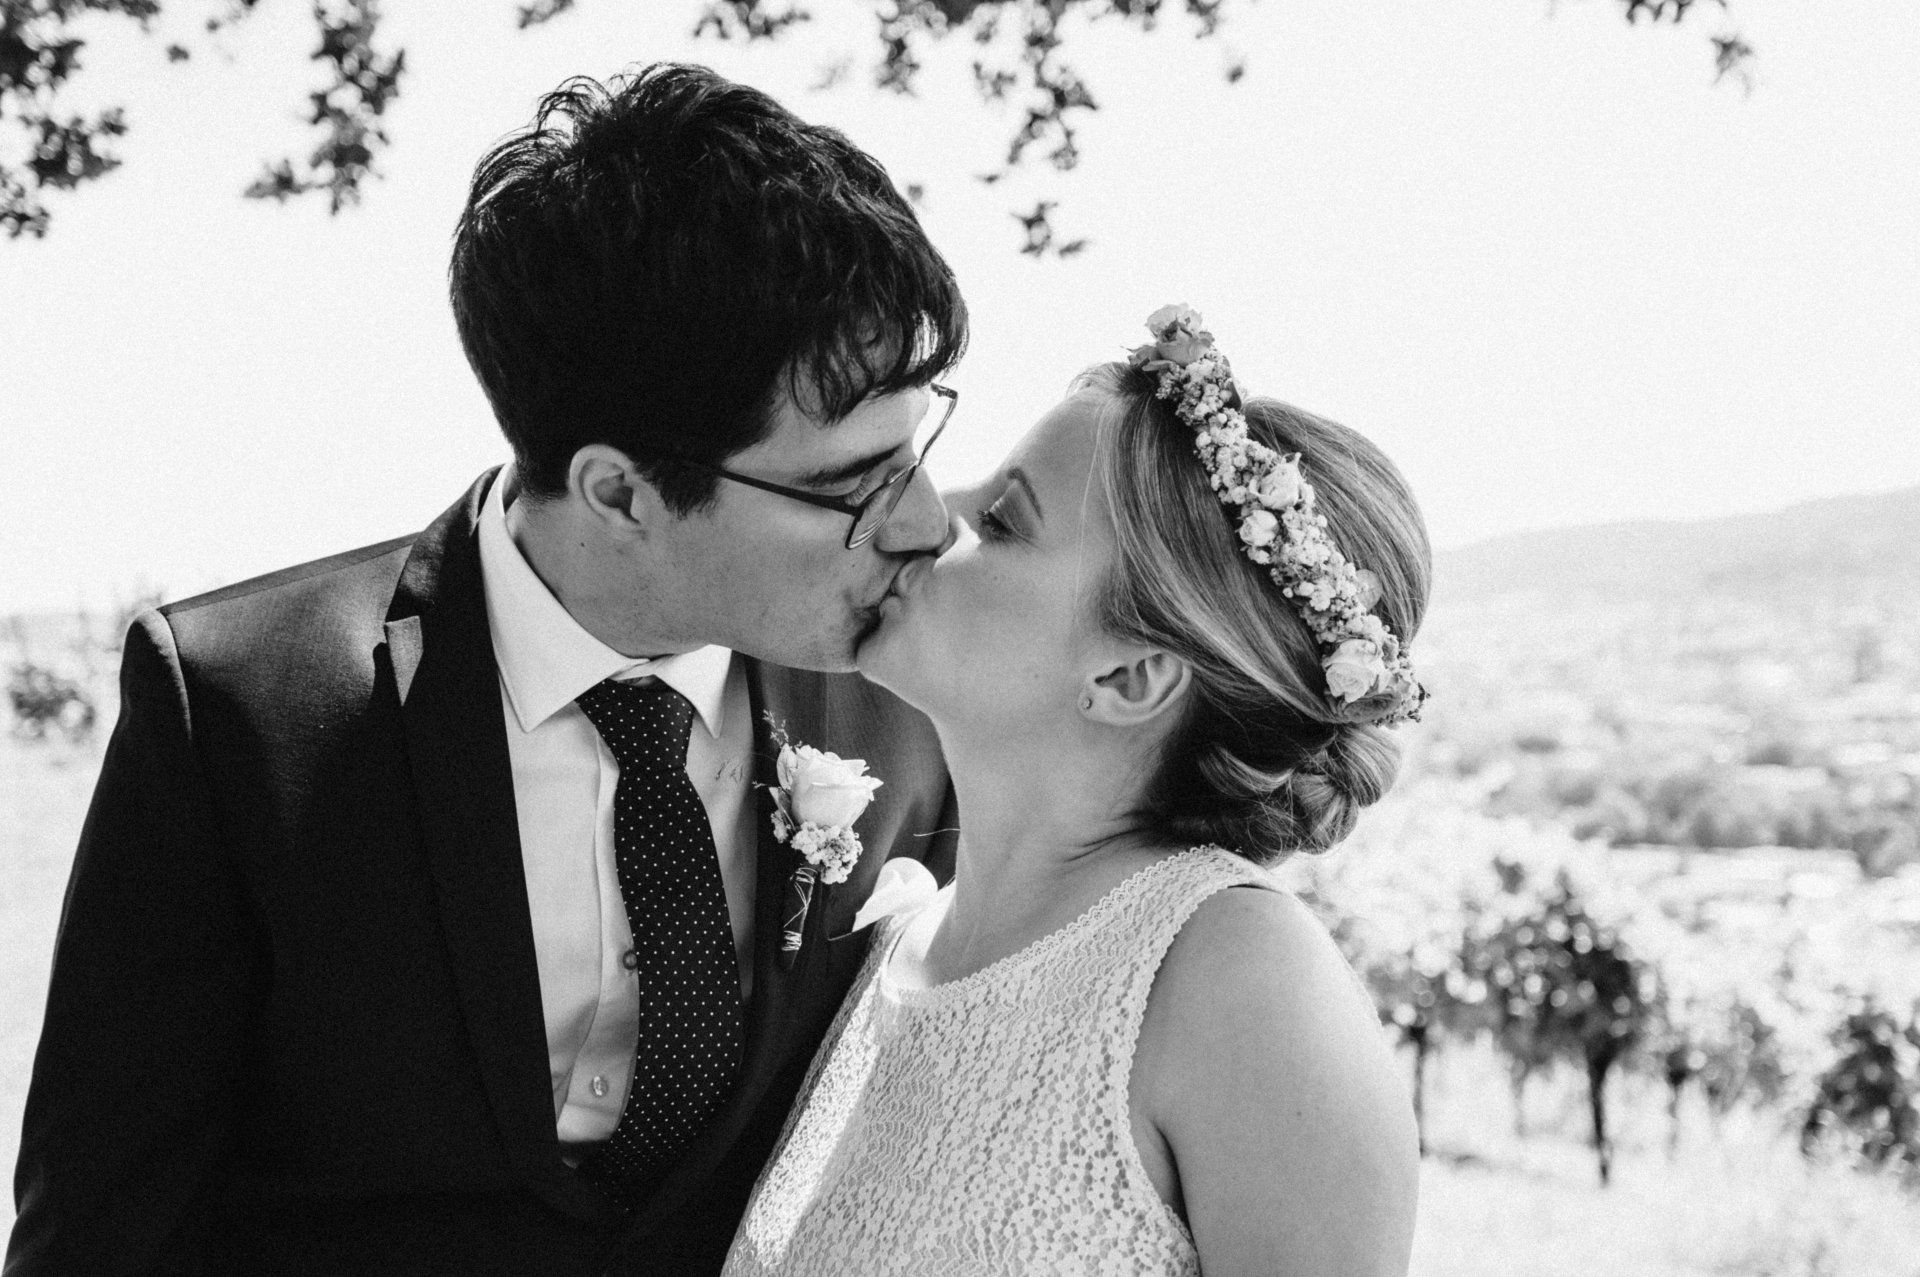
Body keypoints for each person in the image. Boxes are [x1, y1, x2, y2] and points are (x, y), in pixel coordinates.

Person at [6, 64, 965, 1277]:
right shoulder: (239, 712)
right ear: (620, 492)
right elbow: (101, 1232)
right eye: (850, 485)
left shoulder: (922, 697)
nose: (926, 520)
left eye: (916, 446)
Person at [722, 306, 1428, 1276]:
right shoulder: (897, 941)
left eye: (1004, 520)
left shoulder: (1239, 980)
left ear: (1129, 676)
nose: (925, 513)